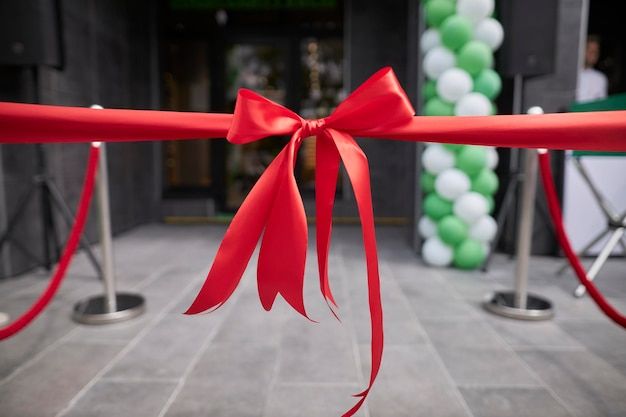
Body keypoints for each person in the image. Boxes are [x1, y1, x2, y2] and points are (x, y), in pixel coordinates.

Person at [576, 35, 608, 102]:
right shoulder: (572, 73)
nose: (593, 53)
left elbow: (602, 106)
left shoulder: (600, 78)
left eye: (596, 51)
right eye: (590, 49)